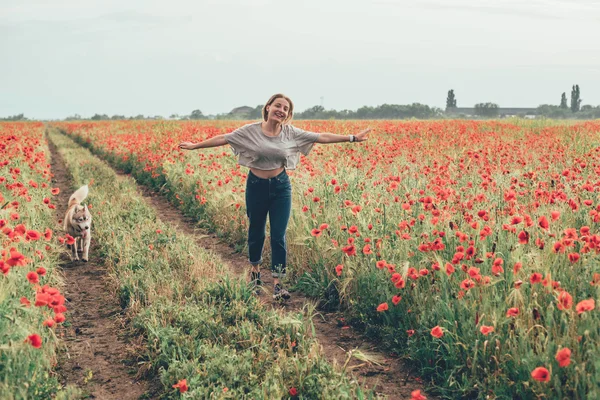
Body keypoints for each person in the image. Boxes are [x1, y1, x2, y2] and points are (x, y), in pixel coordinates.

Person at [179, 93, 370, 300]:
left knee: (278, 235)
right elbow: (224, 138)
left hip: (281, 187)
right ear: (268, 107)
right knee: (256, 231)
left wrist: (352, 138)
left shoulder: (291, 133)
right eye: (278, 105)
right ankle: (255, 273)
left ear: (287, 115)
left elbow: (320, 137)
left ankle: (278, 284)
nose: (281, 110)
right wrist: (195, 145)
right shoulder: (250, 131)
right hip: (256, 186)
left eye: (285, 109)